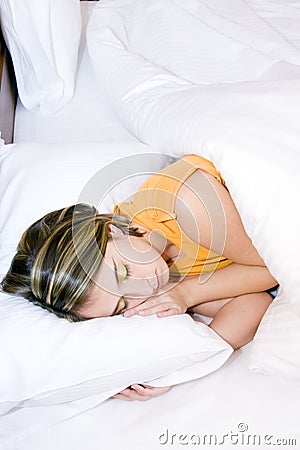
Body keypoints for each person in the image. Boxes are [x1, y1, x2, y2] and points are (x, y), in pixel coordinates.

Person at [1, 154, 278, 402]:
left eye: (123, 271)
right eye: (122, 304)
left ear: (111, 230)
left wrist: (189, 294)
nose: (141, 289)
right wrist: (181, 363)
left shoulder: (185, 203)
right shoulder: (159, 282)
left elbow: (274, 267)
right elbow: (257, 303)